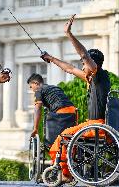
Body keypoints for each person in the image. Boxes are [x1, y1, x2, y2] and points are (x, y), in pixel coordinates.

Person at [41, 14, 111, 182]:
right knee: (68, 135)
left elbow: (85, 56)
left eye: (84, 64)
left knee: (62, 137)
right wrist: (51, 58)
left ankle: (66, 174)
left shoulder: (98, 75)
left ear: (93, 64)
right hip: (93, 125)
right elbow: (70, 69)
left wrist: (69, 34)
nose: (82, 66)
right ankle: (70, 171)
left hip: (97, 125)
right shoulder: (91, 78)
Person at [27, 73, 76, 146]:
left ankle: (55, 153)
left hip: (61, 112)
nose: (31, 89)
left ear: (36, 83)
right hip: (72, 111)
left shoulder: (39, 90)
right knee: (67, 137)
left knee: (51, 141)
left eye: (31, 86)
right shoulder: (55, 88)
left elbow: (37, 109)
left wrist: (35, 128)